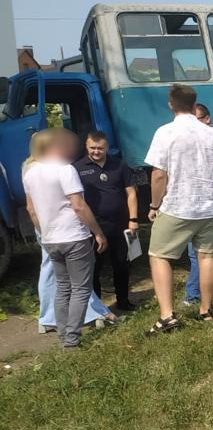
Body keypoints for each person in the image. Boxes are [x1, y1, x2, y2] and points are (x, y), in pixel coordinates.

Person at [144, 84, 213, 333]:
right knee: (206, 255)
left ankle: (167, 316)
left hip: (178, 206)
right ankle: (206, 311)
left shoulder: (165, 132)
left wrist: (154, 205)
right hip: (209, 207)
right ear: (195, 106)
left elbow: (159, 175)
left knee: (159, 256)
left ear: (171, 105)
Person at [22, 128, 108, 348]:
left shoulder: (30, 172)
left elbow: (31, 209)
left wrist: (45, 231)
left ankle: (63, 334)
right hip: (74, 236)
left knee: (62, 287)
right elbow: (78, 206)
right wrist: (97, 232)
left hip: (51, 238)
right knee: (80, 288)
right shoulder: (65, 170)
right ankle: (71, 339)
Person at [74, 130, 139, 312]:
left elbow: (131, 193)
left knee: (122, 264)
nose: (96, 151)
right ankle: (97, 307)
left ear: (107, 147)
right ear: (86, 147)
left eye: (100, 148)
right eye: (92, 148)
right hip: (94, 227)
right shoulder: (77, 168)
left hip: (120, 224)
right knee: (94, 267)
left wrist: (133, 220)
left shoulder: (119, 165)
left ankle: (123, 301)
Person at [184, 103, 213, 305]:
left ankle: (193, 295)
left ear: (207, 119)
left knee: (197, 253)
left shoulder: (210, 139)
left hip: (200, 203)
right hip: (210, 202)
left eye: (196, 119)